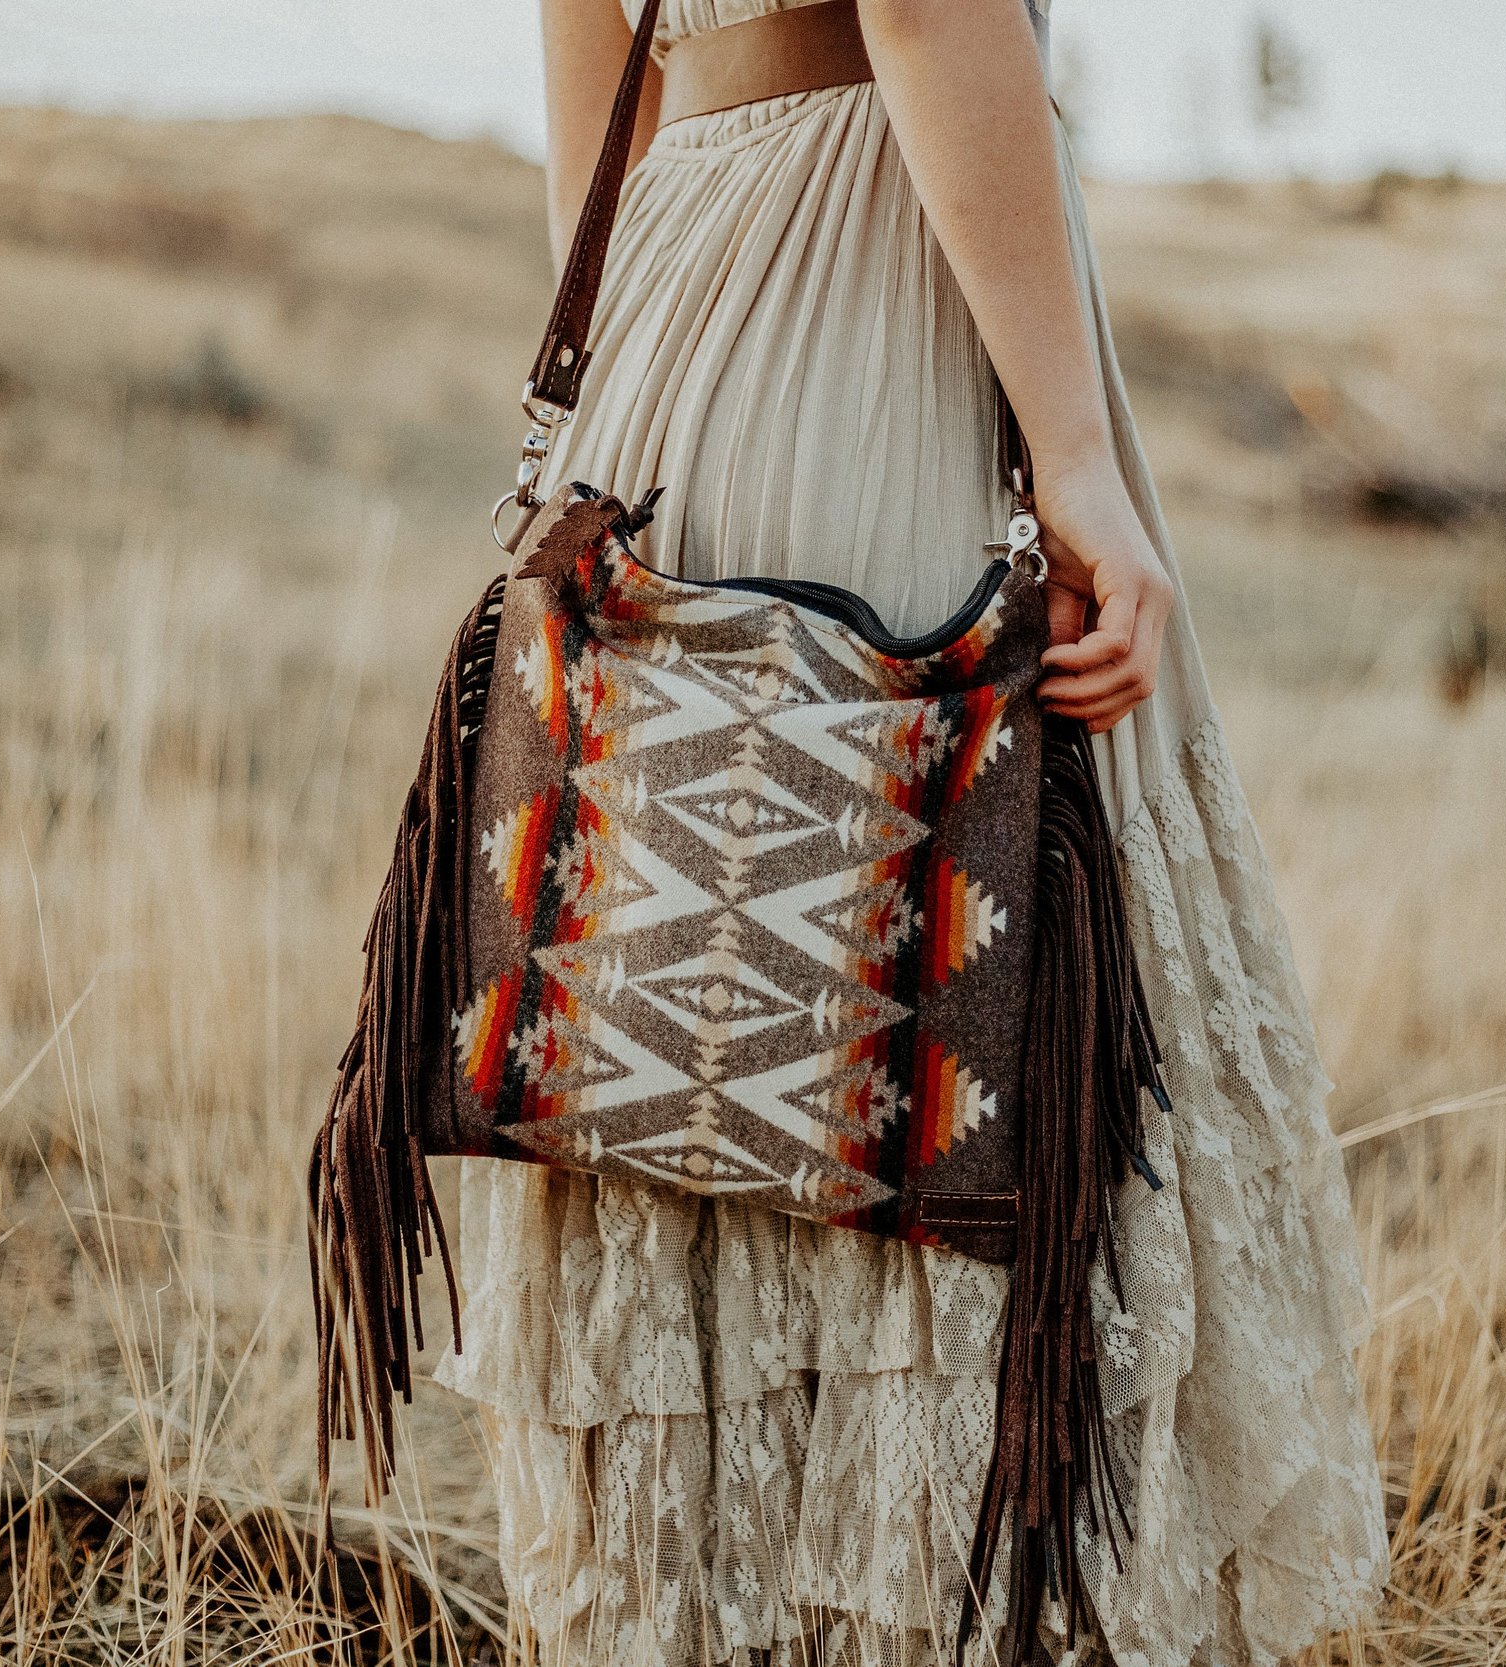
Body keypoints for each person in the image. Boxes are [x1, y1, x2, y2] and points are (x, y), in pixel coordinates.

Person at [430, 2, 1387, 1661]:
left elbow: (600, 54)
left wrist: (654, 323)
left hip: (681, 294)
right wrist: (1073, 457)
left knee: (663, 1011)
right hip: (876, 273)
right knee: (940, 994)